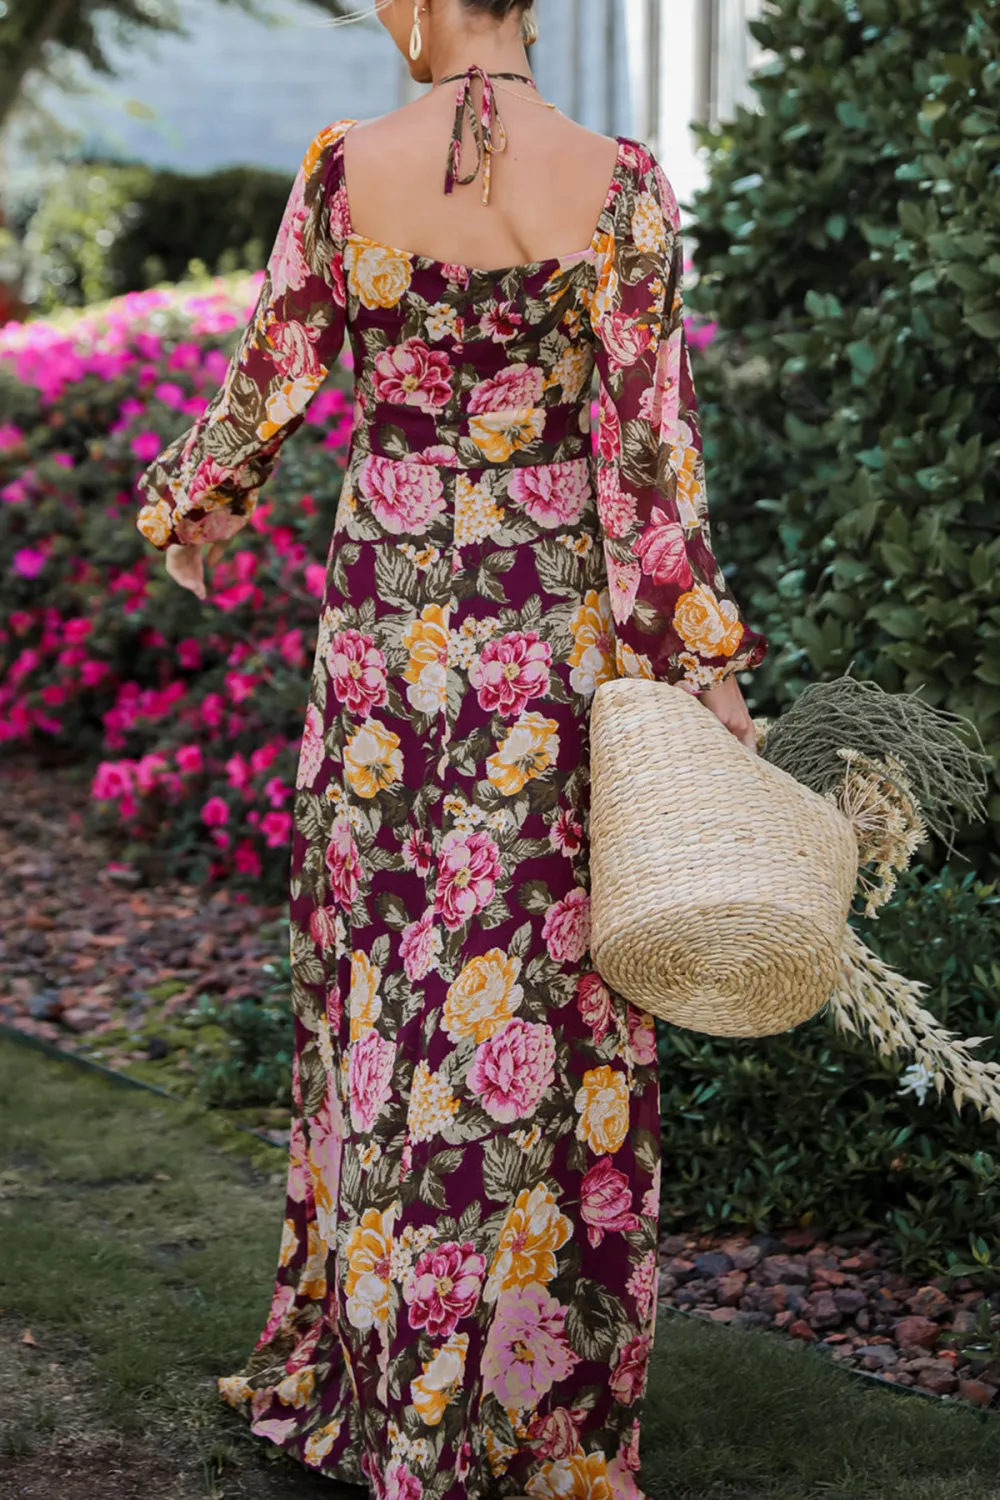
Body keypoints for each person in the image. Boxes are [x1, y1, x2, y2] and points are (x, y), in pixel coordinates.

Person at [135, 1, 768, 1494]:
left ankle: (373, 1369)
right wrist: (711, 667)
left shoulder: (347, 165)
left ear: (426, 2)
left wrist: (189, 512)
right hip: (546, 631)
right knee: (542, 996)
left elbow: (265, 387)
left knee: (384, 989)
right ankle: (528, 1406)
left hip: (387, 628)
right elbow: (649, 457)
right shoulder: (617, 181)